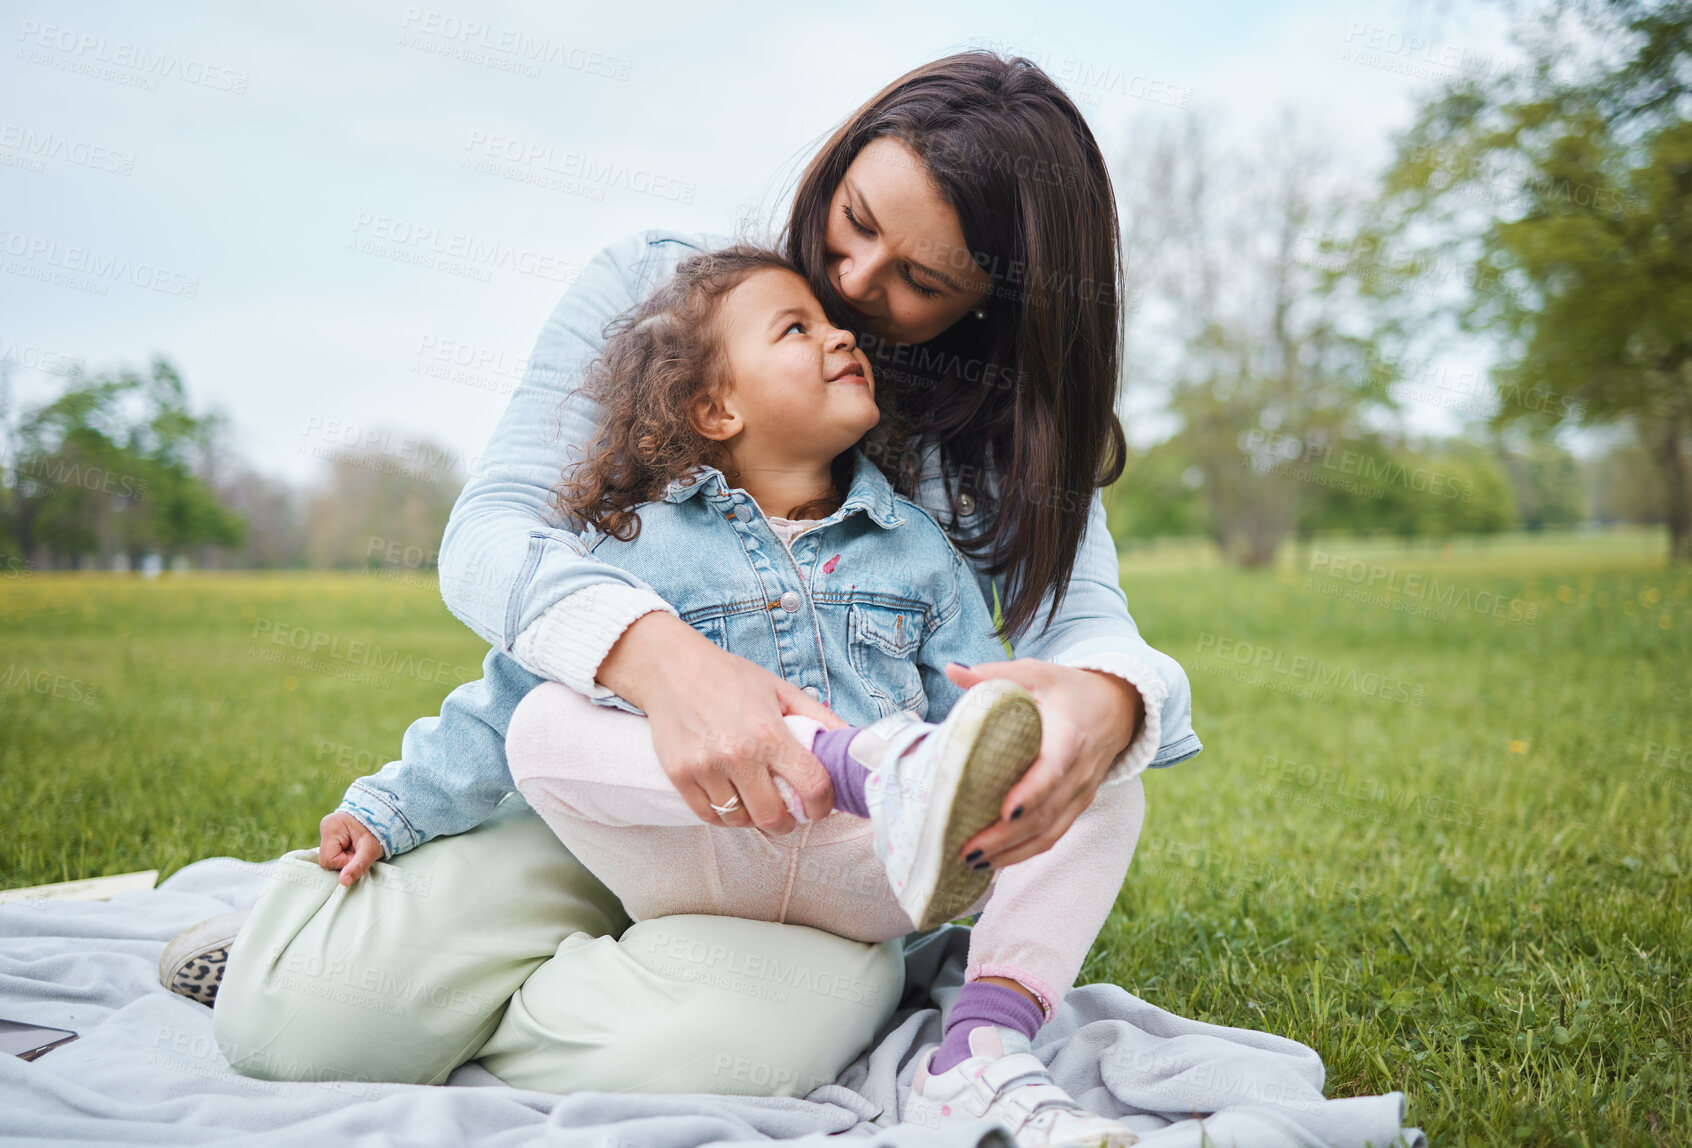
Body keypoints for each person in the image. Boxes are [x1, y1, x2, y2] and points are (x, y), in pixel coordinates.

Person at [166, 50, 1199, 1145]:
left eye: (919, 281)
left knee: (699, 1059)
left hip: (820, 867)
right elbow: (494, 537)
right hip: (616, 814)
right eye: (854, 218)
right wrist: (661, 660)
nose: (851, 284)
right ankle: (373, 964)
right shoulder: (666, 297)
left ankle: (448, 989)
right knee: (290, 1021)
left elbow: (1084, 633)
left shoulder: (993, 431)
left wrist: (1108, 704)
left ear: (996, 305)